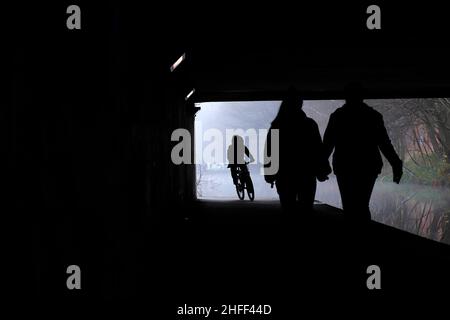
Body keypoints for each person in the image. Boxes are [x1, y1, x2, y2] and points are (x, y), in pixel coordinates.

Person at [323, 83, 403, 221]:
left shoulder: (337, 116)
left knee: (348, 205)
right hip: (368, 166)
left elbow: (328, 144)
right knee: (362, 204)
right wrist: (396, 164)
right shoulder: (374, 116)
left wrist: (321, 167)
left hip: (344, 166)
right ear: (363, 97)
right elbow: (384, 143)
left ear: (345, 97)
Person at [264, 88, 331, 212]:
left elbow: (270, 152)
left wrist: (269, 174)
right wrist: (322, 170)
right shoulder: (310, 125)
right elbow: (318, 150)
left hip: (284, 175)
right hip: (306, 174)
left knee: (288, 209)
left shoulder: (277, 125)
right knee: (306, 209)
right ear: (300, 104)